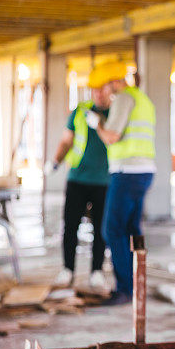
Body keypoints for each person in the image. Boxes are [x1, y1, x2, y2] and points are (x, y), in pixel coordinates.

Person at [89, 60, 156, 305]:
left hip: (127, 172)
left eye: (104, 87)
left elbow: (112, 137)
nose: (102, 93)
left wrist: (96, 123)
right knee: (132, 231)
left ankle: (125, 289)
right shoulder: (143, 99)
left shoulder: (124, 98)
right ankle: (137, 286)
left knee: (112, 230)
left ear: (113, 82)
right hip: (144, 172)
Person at [48, 69, 112, 293]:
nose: (99, 94)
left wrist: (102, 124)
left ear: (110, 90)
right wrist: (55, 161)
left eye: (103, 89)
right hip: (77, 178)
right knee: (71, 226)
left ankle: (96, 272)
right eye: (96, 90)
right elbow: (66, 141)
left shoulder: (116, 114)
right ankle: (68, 270)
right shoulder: (80, 112)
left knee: (100, 229)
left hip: (104, 180)